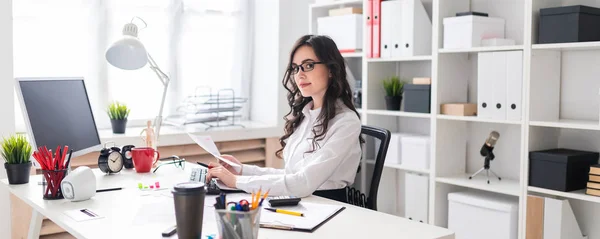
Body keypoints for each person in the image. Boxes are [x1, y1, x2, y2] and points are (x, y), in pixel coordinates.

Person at [206, 35, 362, 202]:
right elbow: (290, 176)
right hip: (302, 200)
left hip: (329, 206)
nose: (299, 75)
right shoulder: (305, 116)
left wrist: (237, 181)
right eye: (295, 68)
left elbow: (303, 182)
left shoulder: (346, 122)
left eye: (308, 65)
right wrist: (242, 170)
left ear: (331, 69)